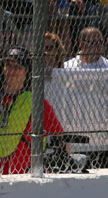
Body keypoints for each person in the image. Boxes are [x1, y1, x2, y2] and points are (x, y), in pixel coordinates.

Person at [1, 46, 66, 175]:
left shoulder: (38, 104)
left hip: (24, 174)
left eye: (18, 67)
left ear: (27, 72)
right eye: (8, 65)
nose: (12, 71)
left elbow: (60, 138)